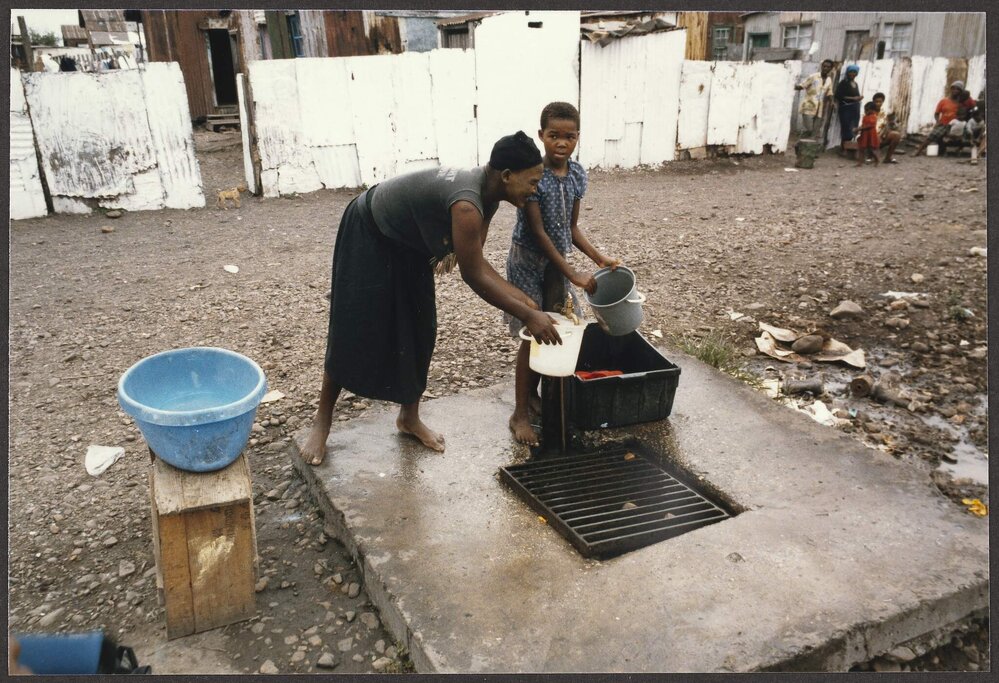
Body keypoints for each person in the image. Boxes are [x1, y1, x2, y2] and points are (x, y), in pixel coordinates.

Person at [300, 132, 561, 465]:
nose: (536, 189)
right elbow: (473, 276)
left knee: (421, 329)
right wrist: (528, 316)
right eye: (533, 181)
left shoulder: (491, 196)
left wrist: (528, 304)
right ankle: (322, 422)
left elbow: (477, 260)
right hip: (370, 230)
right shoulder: (468, 204)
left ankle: (408, 418)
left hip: (408, 245)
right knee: (353, 328)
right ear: (507, 176)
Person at [504, 102, 621, 446]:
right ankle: (520, 413)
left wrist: (599, 258)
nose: (561, 143)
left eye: (569, 137)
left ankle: (536, 396)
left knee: (560, 330)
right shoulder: (534, 175)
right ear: (541, 136)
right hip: (527, 262)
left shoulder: (577, 175)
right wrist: (574, 275)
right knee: (532, 332)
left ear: (577, 139)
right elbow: (539, 233)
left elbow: (571, 228)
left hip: (558, 265)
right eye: (553, 135)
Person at [914, 81, 966, 156]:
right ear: (951, 89)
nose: (955, 91)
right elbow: (936, 113)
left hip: (954, 125)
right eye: (953, 88)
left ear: (960, 91)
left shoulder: (960, 104)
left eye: (957, 89)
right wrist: (938, 121)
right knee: (932, 135)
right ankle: (918, 151)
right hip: (943, 124)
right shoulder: (944, 101)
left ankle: (950, 150)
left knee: (956, 136)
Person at [795, 59, 834, 139]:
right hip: (808, 106)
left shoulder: (829, 80)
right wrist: (791, 85)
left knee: (815, 132)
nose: (826, 68)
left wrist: (832, 102)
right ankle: (800, 142)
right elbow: (802, 86)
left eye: (828, 67)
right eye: (824, 66)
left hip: (820, 109)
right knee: (809, 128)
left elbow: (829, 92)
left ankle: (809, 149)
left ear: (831, 69)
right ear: (821, 66)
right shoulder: (813, 76)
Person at [834, 64, 864, 155]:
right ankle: (843, 149)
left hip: (855, 108)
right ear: (847, 72)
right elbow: (838, 96)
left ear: (857, 73)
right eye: (851, 71)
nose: (852, 74)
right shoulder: (843, 83)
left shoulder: (856, 84)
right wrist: (853, 98)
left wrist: (858, 98)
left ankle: (850, 147)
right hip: (845, 108)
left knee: (853, 127)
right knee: (846, 127)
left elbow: (856, 96)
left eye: (854, 72)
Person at [871, 92, 902, 163]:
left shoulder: (884, 113)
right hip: (871, 136)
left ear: (883, 102)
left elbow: (885, 126)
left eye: (880, 102)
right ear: (873, 102)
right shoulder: (869, 111)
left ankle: (888, 158)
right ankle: (870, 155)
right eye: (876, 102)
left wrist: (882, 134)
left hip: (881, 136)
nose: (878, 103)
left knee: (896, 135)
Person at [855, 101, 880, 167]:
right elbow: (863, 125)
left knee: (872, 150)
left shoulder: (874, 117)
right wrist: (858, 128)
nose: (865, 111)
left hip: (871, 135)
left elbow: (869, 126)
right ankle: (860, 163)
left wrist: (859, 129)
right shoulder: (865, 117)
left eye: (867, 110)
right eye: (865, 110)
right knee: (861, 149)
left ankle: (877, 160)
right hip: (864, 135)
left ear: (873, 110)